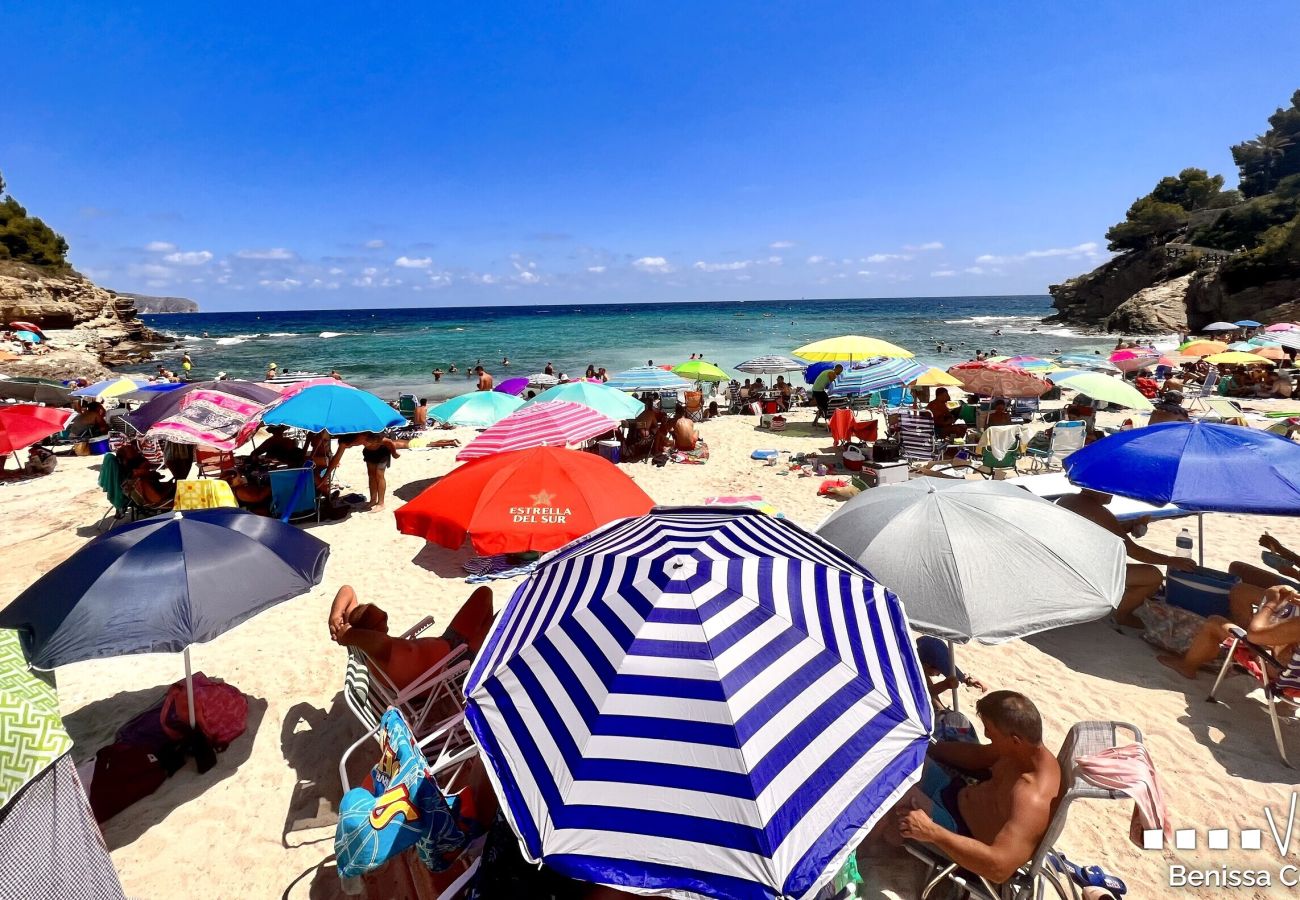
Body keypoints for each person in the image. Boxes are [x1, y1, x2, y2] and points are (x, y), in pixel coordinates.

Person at [886, 691, 1059, 884]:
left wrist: (931, 831)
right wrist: (927, 747)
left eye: (990, 731)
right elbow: (977, 756)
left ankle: (873, 851)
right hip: (955, 793)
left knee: (888, 787)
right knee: (898, 756)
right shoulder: (1019, 751)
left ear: (1015, 740)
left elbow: (999, 869)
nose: (985, 734)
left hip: (959, 833)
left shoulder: (1031, 799)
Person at [1055, 489, 1194, 627]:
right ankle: (1122, 616)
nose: (1113, 493)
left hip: (1063, 569)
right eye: (1110, 489)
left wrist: (1130, 526)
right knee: (1153, 576)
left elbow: (1100, 530)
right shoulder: (1099, 512)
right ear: (1099, 488)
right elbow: (1135, 552)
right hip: (1083, 576)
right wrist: (1171, 560)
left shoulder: (1066, 500)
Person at [329, 584, 496, 691]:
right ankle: (482, 658)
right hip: (455, 668)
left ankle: (480, 643)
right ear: (369, 631)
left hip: (449, 643)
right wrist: (344, 636)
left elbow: (347, 590)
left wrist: (336, 616)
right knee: (503, 621)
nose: (385, 617)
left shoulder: (365, 634)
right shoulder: (380, 648)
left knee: (484, 593)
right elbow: (348, 637)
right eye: (382, 619)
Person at [1158, 584, 1300, 680]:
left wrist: (1272, 603)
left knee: (1214, 622)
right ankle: (1238, 647)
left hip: (1278, 671)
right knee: (1242, 591)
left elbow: (1254, 635)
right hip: (1289, 662)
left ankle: (1187, 666)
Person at [916, 636, 987, 705]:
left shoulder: (920, 666)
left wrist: (966, 680)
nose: (938, 675)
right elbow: (925, 694)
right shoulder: (917, 675)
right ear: (926, 665)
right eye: (939, 670)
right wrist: (945, 685)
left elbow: (949, 666)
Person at [360, 432, 399, 510]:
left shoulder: (380, 440)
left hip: (382, 453)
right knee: (371, 476)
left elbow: (390, 442)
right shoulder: (360, 438)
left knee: (379, 475)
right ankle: (373, 500)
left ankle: (381, 503)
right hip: (369, 453)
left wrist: (394, 453)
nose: (364, 443)